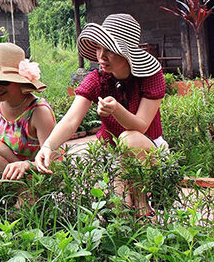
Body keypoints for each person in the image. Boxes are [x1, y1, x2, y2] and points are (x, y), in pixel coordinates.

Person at [34, 13, 167, 216]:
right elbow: (71, 119)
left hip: (147, 149)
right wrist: (48, 146)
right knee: (116, 208)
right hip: (113, 154)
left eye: (110, 50)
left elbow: (141, 126)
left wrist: (116, 110)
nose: (101, 57)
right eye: (99, 48)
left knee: (128, 138)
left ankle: (143, 208)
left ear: (127, 53)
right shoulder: (97, 79)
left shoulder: (151, 77)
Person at [0, 43, 56, 180]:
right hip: (11, 173)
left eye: (3, 82)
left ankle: (27, 197)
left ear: (20, 82)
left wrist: (26, 165)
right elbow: (14, 128)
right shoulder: (1, 101)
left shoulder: (39, 112)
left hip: (36, 178)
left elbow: (54, 162)